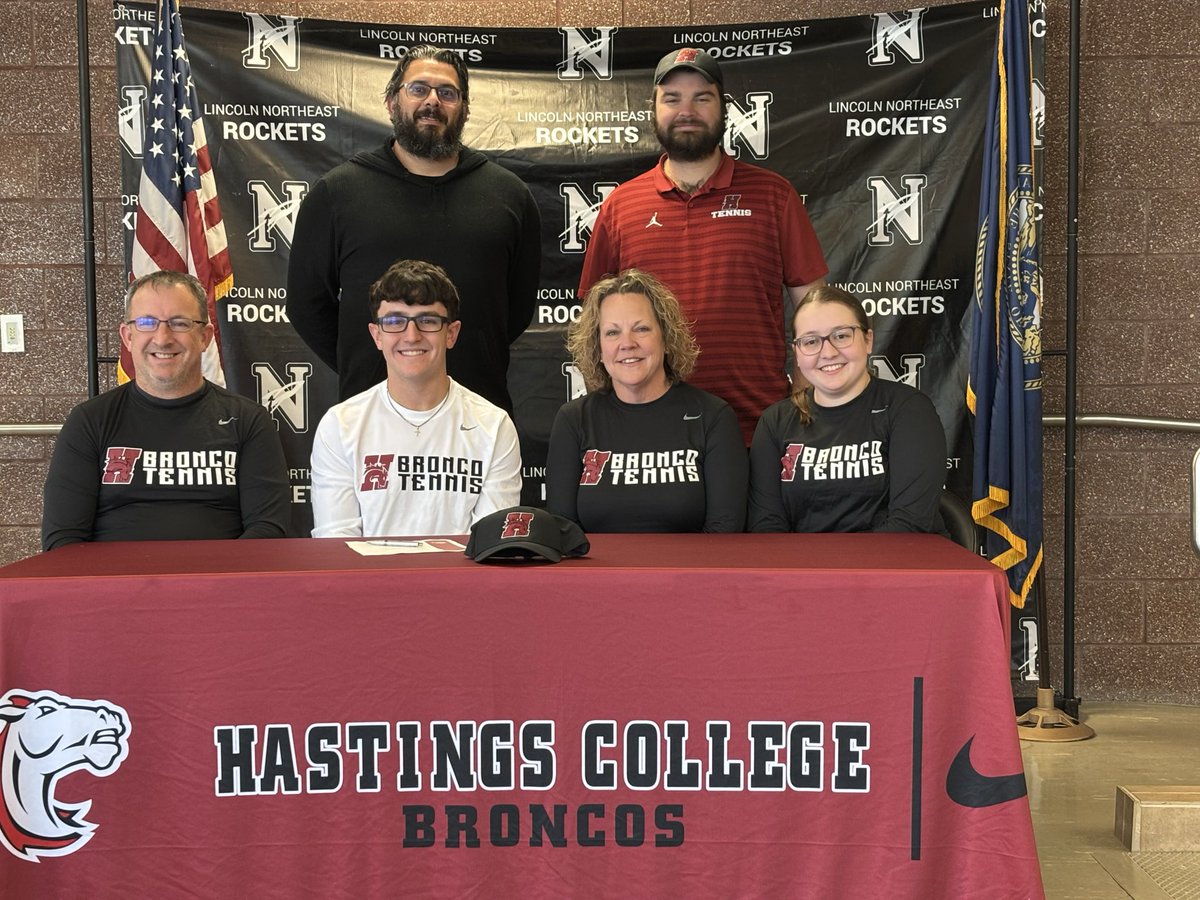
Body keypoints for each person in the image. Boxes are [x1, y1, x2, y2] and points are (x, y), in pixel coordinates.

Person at [578, 47, 828, 442]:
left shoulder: (774, 195)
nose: (687, 111)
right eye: (672, 99)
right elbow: (594, 325)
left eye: (702, 97)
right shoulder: (621, 205)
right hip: (650, 434)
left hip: (757, 430)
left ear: (724, 107)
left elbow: (816, 307)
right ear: (654, 109)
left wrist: (801, 394)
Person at [286, 45, 541, 411]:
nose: (432, 101)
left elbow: (513, 313)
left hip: (478, 414)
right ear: (392, 102)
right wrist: (379, 363)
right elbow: (306, 305)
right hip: (371, 414)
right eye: (418, 89)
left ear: (465, 109)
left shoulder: (510, 196)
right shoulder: (336, 194)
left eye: (447, 93)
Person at [41, 271, 291, 550]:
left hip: (220, 586)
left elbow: (268, 529)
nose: (162, 338)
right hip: (116, 588)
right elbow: (63, 540)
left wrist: (208, 584)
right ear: (128, 336)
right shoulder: (90, 421)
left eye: (179, 323)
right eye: (147, 323)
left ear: (205, 337)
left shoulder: (248, 421)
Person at [310, 260, 521, 537]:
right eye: (395, 321)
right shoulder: (340, 426)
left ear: (451, 333)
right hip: (368, 581)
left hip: (462, 581)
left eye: (428, 320)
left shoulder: (494, 426)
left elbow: (491, 545)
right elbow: (336, 546)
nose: (411, 336)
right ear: (377, 335)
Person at [546, 269, 746, 533]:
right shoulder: (574, 420)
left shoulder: (712, 416)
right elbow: (564, 532)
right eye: (612, 333)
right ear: (598, 347)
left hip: (690, 574)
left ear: (666, 337)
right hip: (599, 576)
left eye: (641, 329)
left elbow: (725, 533)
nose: (627, 344)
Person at [749, 286, 945, 533]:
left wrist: (846, 572)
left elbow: (909, 524)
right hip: (802, 568)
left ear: (868, 340)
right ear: (797, 354)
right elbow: (767, 526)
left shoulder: (908, 410)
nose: (828, 353)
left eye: (841, 336)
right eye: (810, 341)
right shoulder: (775, 422)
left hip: (896, 566)